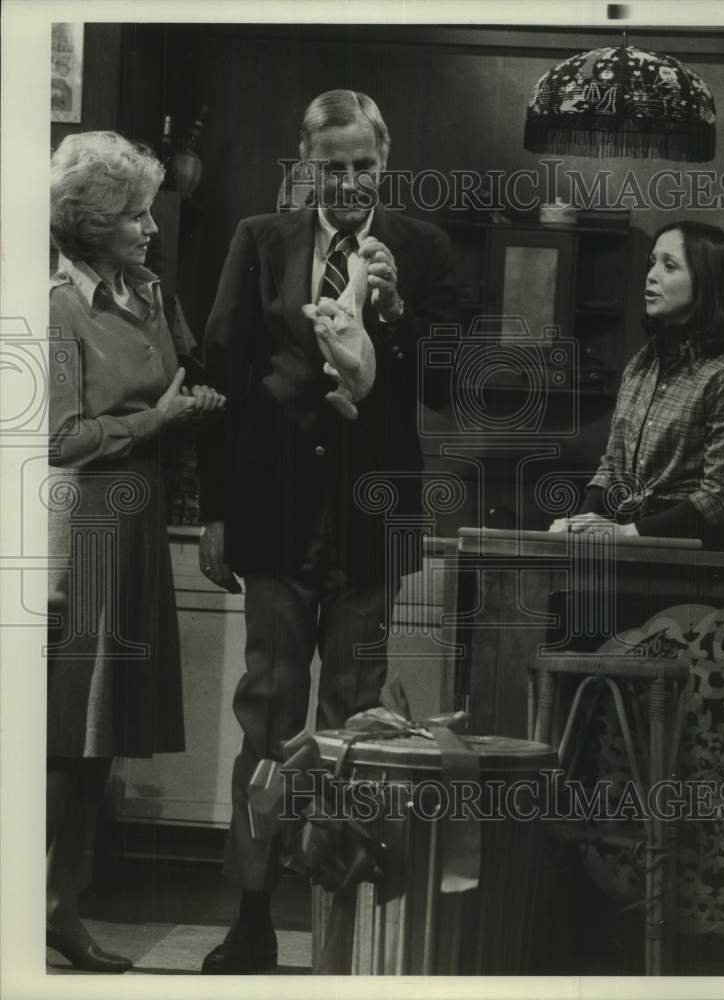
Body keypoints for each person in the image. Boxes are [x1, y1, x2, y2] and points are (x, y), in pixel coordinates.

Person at [196, 89, 458, 973]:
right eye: (330, 165)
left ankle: (338, 932)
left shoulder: (420, 248)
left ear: (384, 162)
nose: (346, 181)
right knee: (267, 717)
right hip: (272, 521)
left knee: (353, 730)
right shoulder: (259, 241)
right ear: (303, 164)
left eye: (362, 166)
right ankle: (252, 914)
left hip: (371, 524)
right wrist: (217, 512)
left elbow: (448, 384)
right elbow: (219, 380)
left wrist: (390, 311)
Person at [47, 131, 225, 972]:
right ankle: (43, 902)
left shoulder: (148, 291)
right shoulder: (53, 305)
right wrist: (156, 421)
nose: (150, 228)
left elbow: (184, 375)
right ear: (88, 224)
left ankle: (59, 901)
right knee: (66, 731)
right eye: (133, 216)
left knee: (102, 734)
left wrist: (198, 400)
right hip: (86, 526)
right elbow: (61, 439)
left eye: (151, 211)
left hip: (140, 517)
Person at [551, 220, 724, 550]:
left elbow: (716, 497)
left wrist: (625, 533)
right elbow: (612, 466)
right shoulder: (642, 363)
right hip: (633, 545)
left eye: (669, 265)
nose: (651, 275)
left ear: (707, 283)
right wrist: (578, 525)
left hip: (690, 559)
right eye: (652, 262)